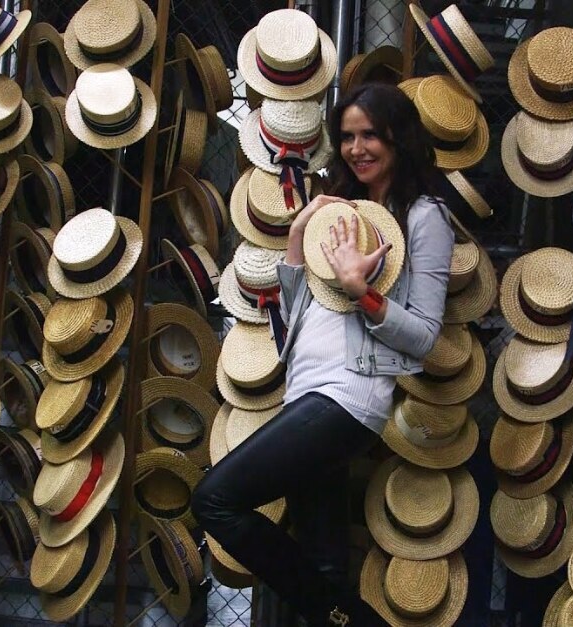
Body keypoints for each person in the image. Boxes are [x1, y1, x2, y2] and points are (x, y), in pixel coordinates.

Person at [192, 82, 455, 626]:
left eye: (370, 136)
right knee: (326, 569)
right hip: (306, 393)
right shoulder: (340, 212)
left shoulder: (423, 215)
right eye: (347, 137)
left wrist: (363, 293)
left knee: (215, 499)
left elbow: (425, 336)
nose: (357, 149)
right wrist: (296, 241)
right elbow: (297, 324)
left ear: (399, 138)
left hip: (346, 398)